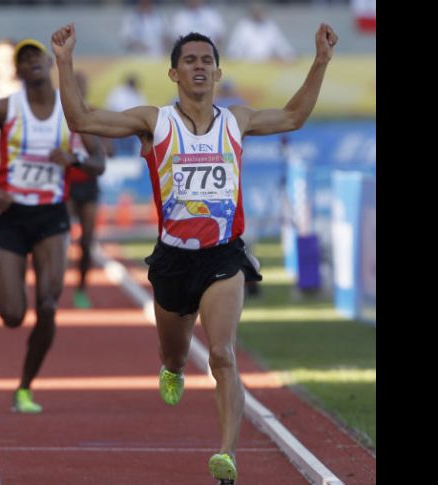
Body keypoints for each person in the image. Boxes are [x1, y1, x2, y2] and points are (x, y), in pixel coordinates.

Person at [52, 21, 337, 483]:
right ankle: (172, 367)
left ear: (218, 72)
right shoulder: (153, 121)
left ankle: (226, 456)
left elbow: (291, 118)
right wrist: (64, 62)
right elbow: (82, 120)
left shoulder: (236, 121)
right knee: (175, 356)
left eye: (207, 60)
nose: (200, 67)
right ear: (173, 74)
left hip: (222, 255)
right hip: (172, 258)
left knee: (222, 353)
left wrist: (320, 61)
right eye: (190, 60)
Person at [0, 38, 105, 414]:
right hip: (13, 213)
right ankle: (5, 271)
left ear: (49, 62)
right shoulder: (4, 108)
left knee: (48, 304)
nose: (31, 62)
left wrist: (72, 158)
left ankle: (25, 387)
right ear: (16, 71)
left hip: (52, 216)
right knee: (13, 315)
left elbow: (98, 162)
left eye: (36, 56)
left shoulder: (72, 110)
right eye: (23, 59)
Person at [66, 71, 105, 309]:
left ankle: (81, 287)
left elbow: (107, 151)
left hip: (88, 182)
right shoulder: (59, 114)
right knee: (60, 237)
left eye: (82, 86)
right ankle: (52, 280)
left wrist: (98, 143)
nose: (79, 91)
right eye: (75, 86)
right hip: (64, 183)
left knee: (87, 239)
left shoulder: (94, 114)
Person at [226, 2, 295, 62]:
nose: (258, 11)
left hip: (268, 67)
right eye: (256, 8)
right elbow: (233, 52)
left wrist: (282, 57)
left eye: (260, 9)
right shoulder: (243, 27)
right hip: (247, 68)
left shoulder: (271, 27)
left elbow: (284, 49)